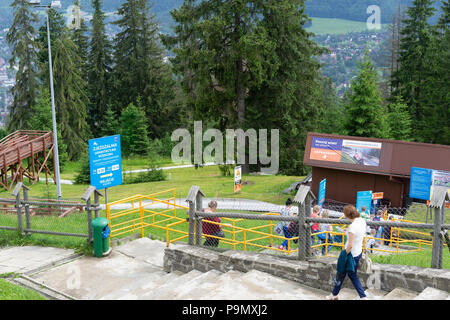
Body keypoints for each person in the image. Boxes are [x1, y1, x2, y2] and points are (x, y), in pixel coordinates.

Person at [326, 205, 367, 300]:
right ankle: (334, 295)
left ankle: (334, 295)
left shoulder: (353, 227)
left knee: (341, 274)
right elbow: (357, 234)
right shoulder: (362, 221)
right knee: (348, 274)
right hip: (358, 252)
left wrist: (343, 255)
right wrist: (347, 231)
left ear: (347, 215)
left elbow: (350, 245)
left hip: (350, 254)